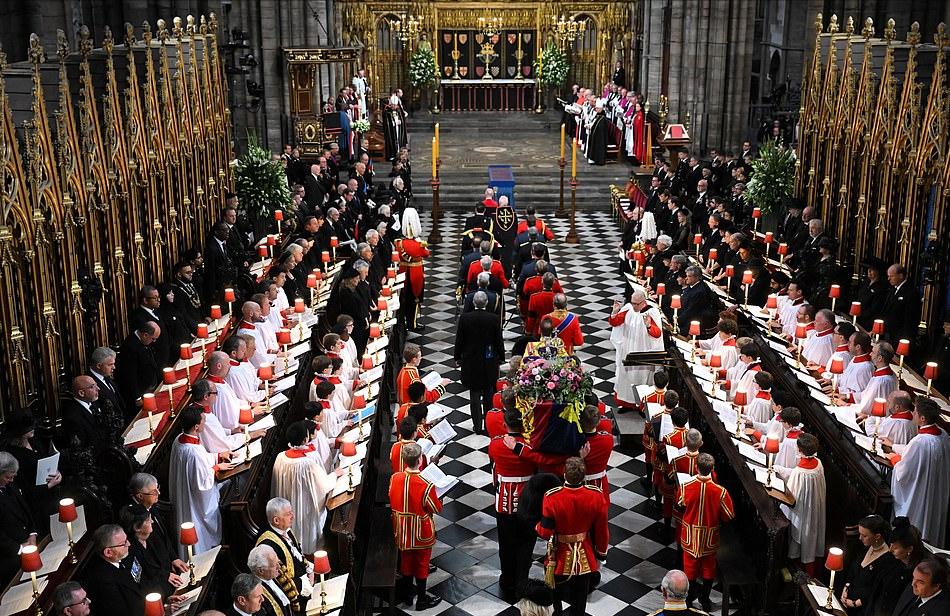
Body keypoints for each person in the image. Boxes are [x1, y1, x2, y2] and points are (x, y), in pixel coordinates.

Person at [536, 457, 609, 616]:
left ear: (564, 474)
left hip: (559, 558)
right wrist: (601, 553)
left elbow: (545, 532)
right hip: (584, 558)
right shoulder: (596, 495)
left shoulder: (552, 497)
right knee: (579, 603)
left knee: (556, 601)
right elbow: (602, 530)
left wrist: (536, 526)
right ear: (584, 476)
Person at [489, 411, 539, 601]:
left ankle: (508, 579)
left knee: (507, 542)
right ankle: (522, 579)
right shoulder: (530, 445)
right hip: (528, 500)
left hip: (505, 500)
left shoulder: (496, 443)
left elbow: (494, 463)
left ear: (505, 424)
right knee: (526, 543)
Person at [169, 406, 232, 555]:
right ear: (197, 427)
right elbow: (202, 484)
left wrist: (217, 456)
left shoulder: (179, 440)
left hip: (184, 494)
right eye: (203, 420)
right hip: (194, 504)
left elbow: (199, 462)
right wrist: (216, 468)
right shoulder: (193, 451)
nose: (205, 422)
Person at [271, 423, 341, 553]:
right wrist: (335, 475)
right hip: (305, 504)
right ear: (305, 439)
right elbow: (323, 485)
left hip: (288, 499)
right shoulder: (307, 463)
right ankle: (310, 554)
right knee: (306, 529)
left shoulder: (280, 457)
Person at [675, 453, 734, 611]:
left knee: (689, 568)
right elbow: (728, 516)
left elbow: (679, 505)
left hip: (690, 534)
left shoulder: (686, 487)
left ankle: (688, 600)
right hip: (709, 535)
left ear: (696, 467)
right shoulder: (720, 492)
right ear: (712, 469)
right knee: (709, 568)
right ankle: (705, 599)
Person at [389, 442, 443, 611]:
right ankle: (421, 599)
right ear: (420, 460)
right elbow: (435, 508)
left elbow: (391, 496)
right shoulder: (425, 484)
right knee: (421, 563)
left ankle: (407, 596)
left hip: (402, 529)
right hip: (421, 529)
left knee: (406, 562)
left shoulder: (395, 478)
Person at [890, 398, 950, 548]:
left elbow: (904, 473)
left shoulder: (919, 442)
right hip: (936, 492)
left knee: (916, 524)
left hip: (920, 493)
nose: (913, 413)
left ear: (922, 418)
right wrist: (894, 446)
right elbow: (922, 456)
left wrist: (895, 460)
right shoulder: (943, 435)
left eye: (915, 412)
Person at [774, 433, 826, 576]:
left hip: (802, 511)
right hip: (814, 507)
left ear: (800, 450)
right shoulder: (818, 463)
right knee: (810, 537)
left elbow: (791, 495)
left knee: (799, 539)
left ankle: (796, 567)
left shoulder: (800, 471)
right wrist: (780, 469)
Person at [454, 291, 505, 434]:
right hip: (488, 362)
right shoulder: (494, 319)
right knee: (489, 393)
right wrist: (501, 356)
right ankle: (489, 426)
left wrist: (457, 357)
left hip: (470, 361)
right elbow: (498, 341)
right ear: (486, 303)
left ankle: (477, 426)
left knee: (474, 394)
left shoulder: (465, 318)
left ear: (473, 303)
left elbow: (460, 340)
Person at [256, 497, 315, 613]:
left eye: (291, 512)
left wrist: (309, 569)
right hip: (295, 594)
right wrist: (307, 582)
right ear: (276, 520)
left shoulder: (284, 529)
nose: (292, 516)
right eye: (288, 514)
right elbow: (279, 578)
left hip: (306, 578)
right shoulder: (268, 546)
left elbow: (297, 553)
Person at [609, 289, 664, 408]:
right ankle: (626, 403)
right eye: (632, 302)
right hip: (628, 350)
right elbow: (615, 322)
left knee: (641, 379)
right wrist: (614, 311)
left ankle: (640, 405)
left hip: (643, 352)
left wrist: (648, 325)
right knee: (626, 379)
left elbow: (657, 334)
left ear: (643, 302)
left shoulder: (652, 312)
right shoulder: (628, 309)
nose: (633, 305)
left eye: (636, 304)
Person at [839, 514, 900, 616]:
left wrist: (854, 603)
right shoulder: (863, 546)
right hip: (847, 600)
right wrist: (845, 590)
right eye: (860, 534)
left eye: (864, 535)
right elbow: (851, 572)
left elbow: (877, 591)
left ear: (877, 536)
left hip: (865, 610)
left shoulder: (888, 560)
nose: (860, 538)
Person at [118, 505, 184, 596]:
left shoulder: (152, 535)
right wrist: (165, 576)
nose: (152, 521)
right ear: (137, 528)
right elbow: (142, 580)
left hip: (171, 584)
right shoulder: (129, 551)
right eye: (148, 520)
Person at [82, 524, 147, 616]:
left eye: (126, 539)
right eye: (123, 543)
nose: (129, 544)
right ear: (108, 552)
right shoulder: (103, 582)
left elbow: (140, 579)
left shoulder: (123, 556)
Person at [0, 451, 38, 584]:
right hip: (11, 557)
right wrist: (20, 548)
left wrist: (32, 533)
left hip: (29, 542)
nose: (11, 480)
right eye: (8, 477)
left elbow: (26, 509)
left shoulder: (11, 485)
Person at [115, 321, 161, 419]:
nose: (154, 341)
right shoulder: (130, 346)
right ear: (145, 335)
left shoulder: (143, 340)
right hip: (141, 391)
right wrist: (137, 397)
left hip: (149, 386)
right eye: (153, 339)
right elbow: (130, 375)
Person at [247, 544, 295, 616]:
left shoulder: (272, 575)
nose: (279, 567)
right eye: (274, 565)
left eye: (278, 563)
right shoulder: (256, 594)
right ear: (261, 571)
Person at [880, 264, 922, 345]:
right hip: (888, 334)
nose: (888, 279)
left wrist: (903, 340)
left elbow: (910, 319)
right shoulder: (892, 289)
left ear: (901, 276)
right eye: (888, 276)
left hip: (899, 338)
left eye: (891, 276)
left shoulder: (911, 292)